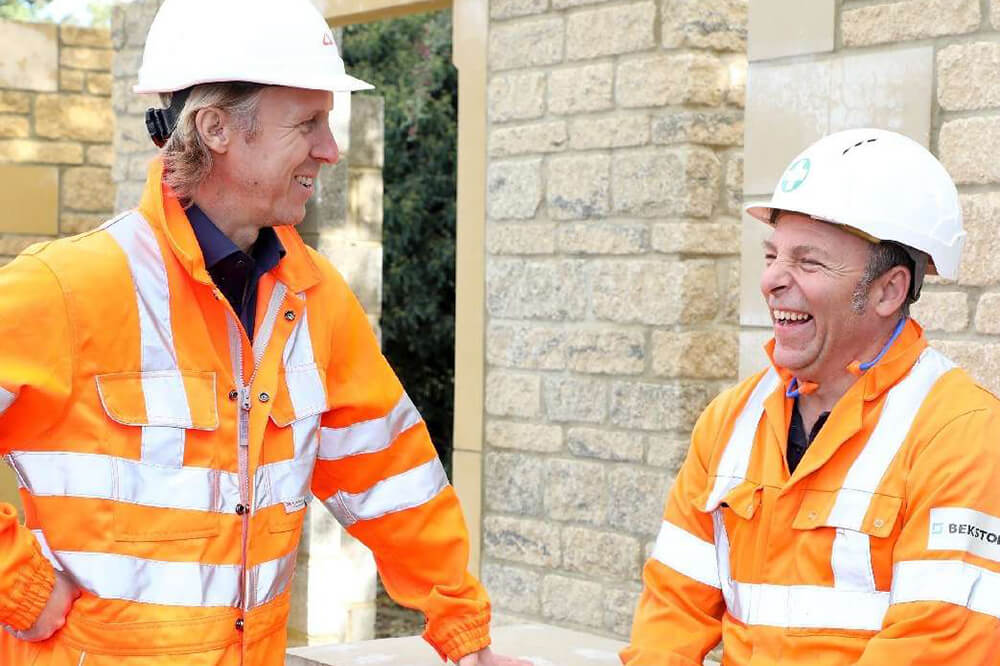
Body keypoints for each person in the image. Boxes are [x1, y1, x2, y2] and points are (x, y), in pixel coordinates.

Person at [0, 1, 527, 664]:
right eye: (307, 123)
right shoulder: (68, 289)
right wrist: (19, 587)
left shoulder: (317, 303)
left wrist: (462, 632)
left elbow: (393, 479)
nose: (331, 150)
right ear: (217, 128)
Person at [622, 128, 1000, 665]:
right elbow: (673, 612)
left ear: (889, 290)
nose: (772, 280)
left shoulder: (962, 433)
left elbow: (936, 646)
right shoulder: (730, 421)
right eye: (773, 255)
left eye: (808, 262)